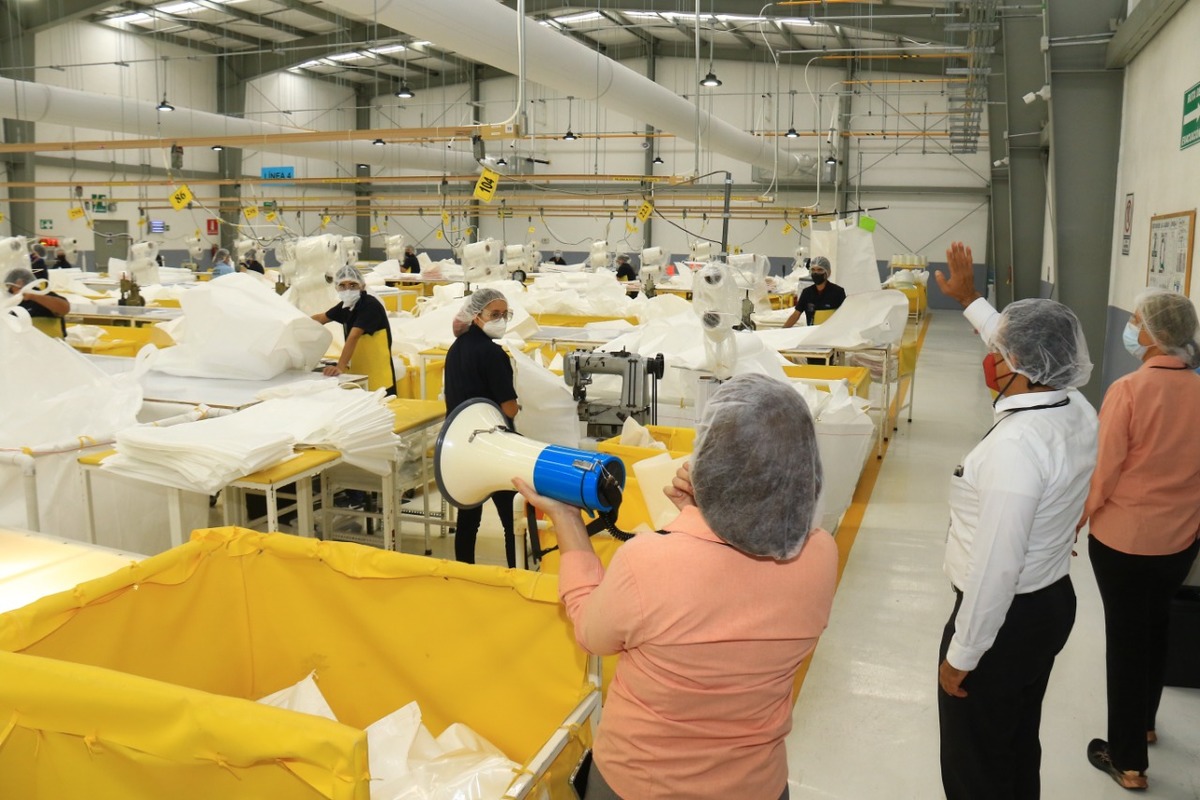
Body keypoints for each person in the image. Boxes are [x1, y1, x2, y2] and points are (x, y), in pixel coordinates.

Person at [515, 373, 837, 800]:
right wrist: (703, 511)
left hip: (642, 785)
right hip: (757, 785)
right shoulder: (821, 556)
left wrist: (567, 520)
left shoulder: (647, 563)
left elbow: (591, 633)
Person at [933, 241, 1098, 800]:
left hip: (1003, 623)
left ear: (1022, 368)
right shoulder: (1076, 408)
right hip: (1049, 603)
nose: (992, 357)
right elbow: (1024, 345)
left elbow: (995, 569)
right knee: (1016, 743)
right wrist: (970, 301)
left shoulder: (1015, 449)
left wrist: (963, 654)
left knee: (975, 763)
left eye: (1001, 352)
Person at [1077, 290, 1200, 791]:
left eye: (1137, 320)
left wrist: (1078, 518)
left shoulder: (1128, 390)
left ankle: (1127, 760)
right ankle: (1145, 722)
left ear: (1155, 333)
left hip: (1123, 542)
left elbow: (1103, 470)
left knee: (1125, 642)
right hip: (1180, 541)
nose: (1131, 327)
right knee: (1156, 625)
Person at [443, 289, 519, 567]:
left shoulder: (456, 348)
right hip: (493, 444)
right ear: (477, 316)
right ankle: (516, 573)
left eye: (505, 315)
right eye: (494, 314)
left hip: (462, 442)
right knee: (511, 518)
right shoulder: (492, 354)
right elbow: (509, 407)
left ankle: (464, 572)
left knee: (468, 516)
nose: (501, 320)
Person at [311, 265, 396, 395]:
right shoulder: (346, 306)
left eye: (353, 285)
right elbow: (321, 318)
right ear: (336, 287)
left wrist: (340, 366)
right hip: (360, 371)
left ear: (362, 286)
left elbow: (354, 335)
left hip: (379, 374)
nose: (347, 290)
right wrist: (295, 322)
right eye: (342, 286)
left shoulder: (370, 305)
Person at [5, 267, 70, 337]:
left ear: (19, 283)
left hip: (50, 342)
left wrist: (32, 296)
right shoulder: (12, 302)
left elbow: (64, 309)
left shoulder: (44, 296)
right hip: (23, 343)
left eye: (10, 286)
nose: (9, 290)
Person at [783, 256, 845, 328]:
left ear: (827, 272)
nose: (816, 273)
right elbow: (796, 314)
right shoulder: (807, 293)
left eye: (820, 270)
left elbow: (844, 316)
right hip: (813, 332)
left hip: (831, 332)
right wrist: (782, 331)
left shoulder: (838, 292)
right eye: (813, 270)